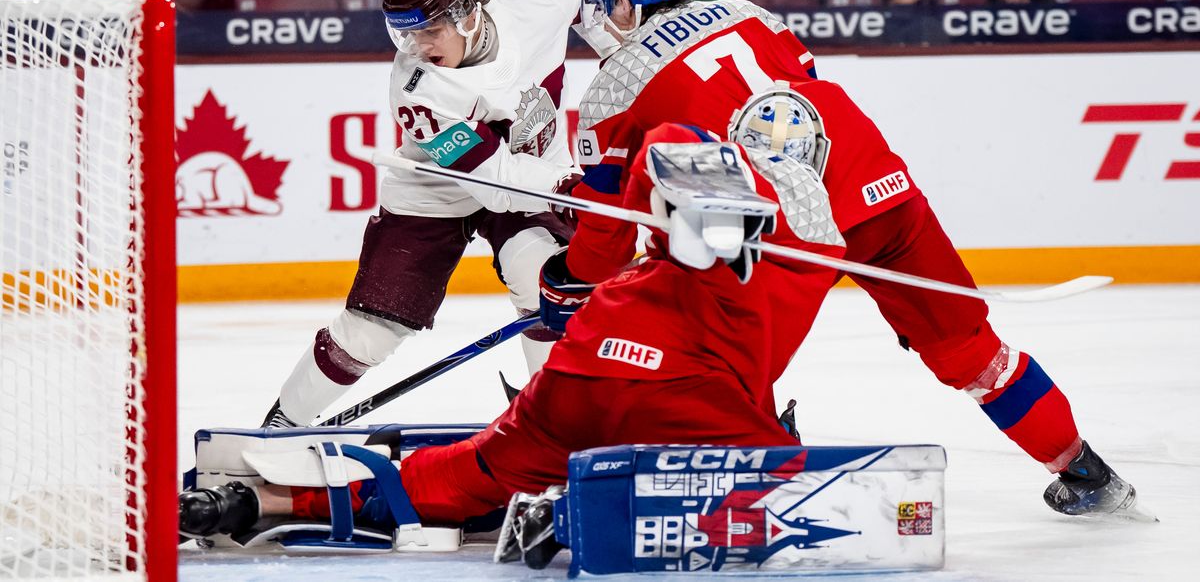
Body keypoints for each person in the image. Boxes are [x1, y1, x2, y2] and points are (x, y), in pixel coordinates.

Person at [558, 0, 1140, 518]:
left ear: (628, 1)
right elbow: (800, 100)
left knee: (723, 371)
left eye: (608, 4)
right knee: (970, 351)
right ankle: (1084, 470)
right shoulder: (750, 14)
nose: (606, 19)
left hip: (779, 232)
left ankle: (773, 487)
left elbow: (604, 240)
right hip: (874, 186)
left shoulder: (611, 90)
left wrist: (567, 272)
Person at [180, 113, 845, 538]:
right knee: (783, 484)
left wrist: (582, 269)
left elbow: (663, 158)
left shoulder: (700, 227)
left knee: (468, 471)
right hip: (674, 391)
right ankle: (559, 513)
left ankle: (257, 505)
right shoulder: (817, 254)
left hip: (585, 365)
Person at [259, 0, 585, 428]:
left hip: (530, 169)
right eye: (405, 34)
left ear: (469, 14)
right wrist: (569, 184)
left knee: (549, 282)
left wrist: (619, 44)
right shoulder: (419, 88)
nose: (418, 47)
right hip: (438, 187)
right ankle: (282, 423)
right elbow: (494, 185)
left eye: (430, 30)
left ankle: (556, 424)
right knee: (373, 328)